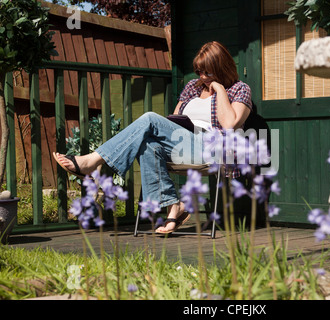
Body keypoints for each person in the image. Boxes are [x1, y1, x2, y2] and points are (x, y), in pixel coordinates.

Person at [53, 41, 252, 234]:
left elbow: (229, 124)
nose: (202, 76)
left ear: (221, 67)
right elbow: (175, 121)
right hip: (182, 145)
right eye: (199, 71)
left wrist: (219, 89)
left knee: (149, 118)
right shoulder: (193, 86)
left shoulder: (239, 89)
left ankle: (93, 161)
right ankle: (174, 207)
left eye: (207, 71)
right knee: (147, 144)